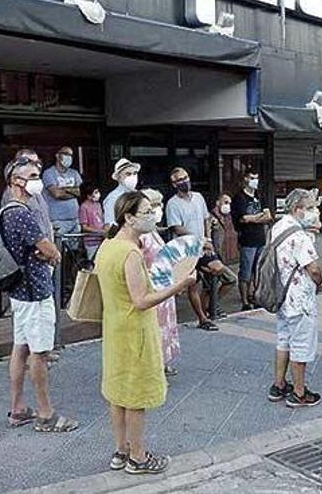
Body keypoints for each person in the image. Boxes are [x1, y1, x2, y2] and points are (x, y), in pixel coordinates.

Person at [97, 191, 196, 474]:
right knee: (135, 398)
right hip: (134, 332)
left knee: (117, 394)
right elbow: (141, 301)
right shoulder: (130, 252)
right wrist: (180, 285)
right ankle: (138, 457)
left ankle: (121, 450)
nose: (153, 214)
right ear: (129, 218)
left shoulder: (107, 246)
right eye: (146, 211)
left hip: (114, 328)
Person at [2, 157, 77, 432]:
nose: (38, 180)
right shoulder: (21, 212)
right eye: (32, 174)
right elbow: (46, 247)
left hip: (20, 292)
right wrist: (53, 253)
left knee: (20, 348)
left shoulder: (6, 210)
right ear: (16, 181)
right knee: (39, 353)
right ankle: (46, 414)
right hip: (34, 291)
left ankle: (18, 408)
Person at [267, 189, 322, 408]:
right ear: (296, 209)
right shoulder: (300, 237)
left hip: (282, 295)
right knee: (301, 344)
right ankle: (299, 392)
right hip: (300, 299)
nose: (314, 211)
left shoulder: (279, 227)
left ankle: (279, 384)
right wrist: (320, 282)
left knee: (283, 339)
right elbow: (314, 269)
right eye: (309, 208)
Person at [165, 167, 216, 331]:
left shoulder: (199, 197)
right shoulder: (172, 203)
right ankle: (202, 318)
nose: (184, 181)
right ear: (174, 184)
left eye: (185, 177)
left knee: (219, 271)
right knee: (192, 284)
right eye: (180, 180)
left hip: (203, 245)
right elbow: (177, 228)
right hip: (186, 249)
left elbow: (206, 219)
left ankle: (207, 307)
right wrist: (198, 239)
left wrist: (207, 239)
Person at [138, 189, 181, 376]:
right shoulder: (142, 234)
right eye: (155, 206)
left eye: (159, 205)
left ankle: (163, 363)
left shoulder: (153, 231)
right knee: (155, 329)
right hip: (152, 287)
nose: (159, 209)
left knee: (165, 326)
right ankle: (153, 366)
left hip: (164, 287)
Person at [232, 169, 272, 310]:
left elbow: (268, 216)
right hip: (247, 239)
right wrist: (258, 217)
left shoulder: (259, 195)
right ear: (245, 179)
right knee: (246, 272)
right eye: (252, 177)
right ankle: (245, 301)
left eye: (257, 177)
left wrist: (255, 219)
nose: (255, 180)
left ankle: (255, 296)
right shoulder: (239, 197)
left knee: (258, 270)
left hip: (261, 238)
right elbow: (243, 218)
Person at [1, 150, 53, 242]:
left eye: (37, 162)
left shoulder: (37, 191)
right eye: (30, 162)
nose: (35, 166)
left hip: (45, 246)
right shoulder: (13, 193)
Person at [43, 146, 83, 241]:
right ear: (57, 155)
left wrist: (64, 190)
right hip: (58, 221)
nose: (69, 157)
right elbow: (57, 194)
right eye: (66, 154)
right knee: (60, 250)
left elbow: (81, 192)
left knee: (75, 251)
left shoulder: (74, 173)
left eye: (71, 155)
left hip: (75, 219)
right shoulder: (49, 173)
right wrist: (73, 191)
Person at [103, 158, 141, 227]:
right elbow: (110, 225)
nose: (132, 177)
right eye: (128, 174)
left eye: (135, 173)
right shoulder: (113, 198)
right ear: (119, 177)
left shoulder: (139, 194)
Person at [78, 182, 106, 260]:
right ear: (88, 195)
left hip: (101, 239)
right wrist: (98, 231)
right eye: (95, 192)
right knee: (93, 261)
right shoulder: (84, 207)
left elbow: (101, 219)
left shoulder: (98, 205)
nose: (98, 194)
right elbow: (84, 227)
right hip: (91, 241)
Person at [210, 194, 238, 263]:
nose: (228, 205)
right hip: (218, 258)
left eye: (229, 203)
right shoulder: (211, 217)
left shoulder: (232, 217)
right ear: (218, 203)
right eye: (226, 202)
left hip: (233, 258)